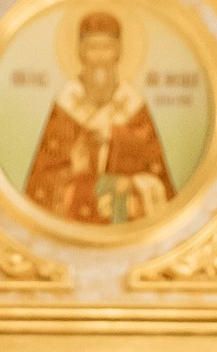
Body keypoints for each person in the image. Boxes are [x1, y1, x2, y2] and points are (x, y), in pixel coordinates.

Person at [22, 8, 176, 227]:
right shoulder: (66, 105)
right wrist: (73, 168)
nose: (100, 57)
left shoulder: (133, 107)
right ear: (81, 52)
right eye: (93, 48)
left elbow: (158, 180)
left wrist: (125, 182)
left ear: (119, 51)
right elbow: (39, 185)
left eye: (108, 48)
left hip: (124, 230)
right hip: (73, 227)